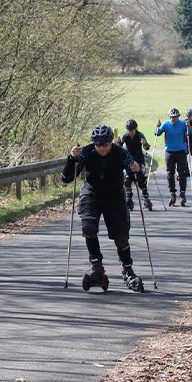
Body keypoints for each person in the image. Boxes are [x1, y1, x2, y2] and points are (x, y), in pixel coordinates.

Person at [61, 125, 145, 293]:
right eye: (97, 144)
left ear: (110, 142)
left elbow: (139, 182)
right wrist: (71, 159)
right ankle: (98, 269)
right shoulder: (86, 152)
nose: (101, 148)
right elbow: (67, 178)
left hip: (114, 196)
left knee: (121, 237)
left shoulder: (120, 153)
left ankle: (127, 270)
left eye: (104, 144)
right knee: (88, 227)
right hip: (92, 194)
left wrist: (138, 172)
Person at [154, 108, 192, 207]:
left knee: (182, 173)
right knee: (170, 174)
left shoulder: (182, 124)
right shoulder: (166, 124)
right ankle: (172, 194)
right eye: (172, 117)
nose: (173, 119)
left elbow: (191, 132)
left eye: (175, 117)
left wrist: (189, 126)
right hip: (169, 152)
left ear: (178, 117)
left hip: (181, 152)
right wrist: (157, 127)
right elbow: (157, 133)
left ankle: (182, 195)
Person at [116, 119, 153, 211]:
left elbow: (147, 147)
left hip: (139, 161)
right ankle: (129, 198)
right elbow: (119, 148)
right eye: (129, 130)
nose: (130, 132)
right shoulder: (125, 136)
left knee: (141, 178)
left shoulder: (140, 136)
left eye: (132, 130)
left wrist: (144, 144)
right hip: (129, 161)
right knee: (127, 180)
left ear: (135, 129)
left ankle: (146, 198)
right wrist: (119, 143)